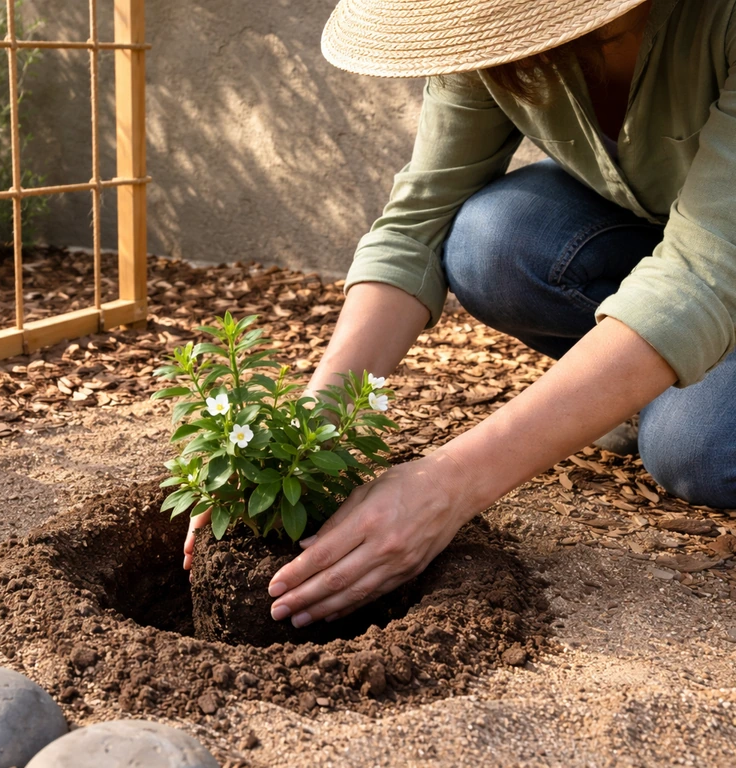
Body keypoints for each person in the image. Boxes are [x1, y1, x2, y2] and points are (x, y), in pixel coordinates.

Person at [185, 0, 736, 629]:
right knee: (490, 238)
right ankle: (627, 385)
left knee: (692, 445)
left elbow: (704, 273)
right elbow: (420, 219)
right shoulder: (488, 27)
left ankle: (643, 392)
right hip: (684, 243)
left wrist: (449, 485)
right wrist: (314, 432)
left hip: (718, 259)